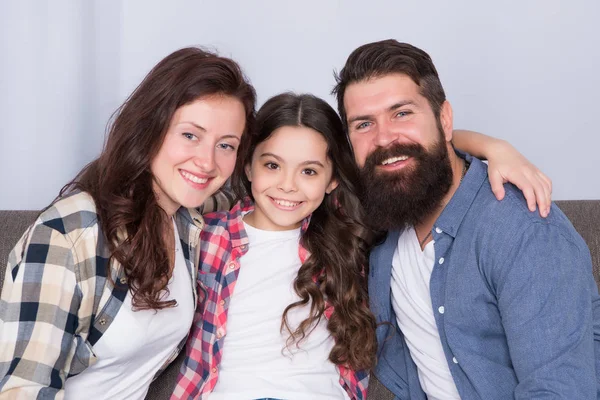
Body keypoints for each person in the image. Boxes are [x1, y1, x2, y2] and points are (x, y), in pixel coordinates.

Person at [171, 91, 554, 399]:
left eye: (309, 171)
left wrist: (494, 147)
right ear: (247, 165)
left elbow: (423, 153)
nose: (288, 185)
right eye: (272, 165)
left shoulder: (347, 232)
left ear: (333, 179)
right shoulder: (205, 232)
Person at [332, 39, 598, 399]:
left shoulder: (522, 231)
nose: (384, 138)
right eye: (364, 124)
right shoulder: (382, 213)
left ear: (444, 119)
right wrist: (491, 145)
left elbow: (559, 389)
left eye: (402, 113)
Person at [0, 47, 256, 399]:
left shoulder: (186, 219)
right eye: (190, 135)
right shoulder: (67, 235)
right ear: (150, 127)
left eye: (226, 145)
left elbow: (246, 197)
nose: (207, 162)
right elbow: (25, 390)